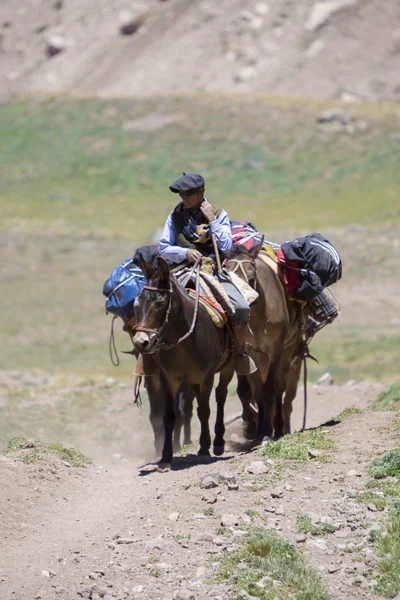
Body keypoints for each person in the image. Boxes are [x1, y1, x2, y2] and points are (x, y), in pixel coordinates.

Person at [159, 173, 256, 375]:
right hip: (182, 269)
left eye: (187, 194)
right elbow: (164, 247)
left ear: (201, 192)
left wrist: (212, 220)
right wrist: (184, 252)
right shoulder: (174, 216)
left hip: (213, 271)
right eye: (181, 195)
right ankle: (150, 358)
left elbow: (226, 245)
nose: (183, 198)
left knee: (241, 307)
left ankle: (238, 353)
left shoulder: (219, 214)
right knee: (152, 305)